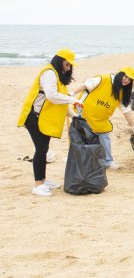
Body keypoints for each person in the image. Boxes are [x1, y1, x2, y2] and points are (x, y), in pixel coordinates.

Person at [17, 49, 82, 196]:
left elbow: (61, 102)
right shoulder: (49, 73)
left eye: (70, 66)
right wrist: (73, 100)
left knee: (44, 149)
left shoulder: (59, 77)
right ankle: (38, 185)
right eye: (67, 64)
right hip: (33, 116)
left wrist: (74, 116)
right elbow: (52, 96)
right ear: (59, 61)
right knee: (41, 149)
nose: (68, 68)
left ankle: (43, 180)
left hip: (43, 117)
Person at [70, 67, 134, 169]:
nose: (126, 80)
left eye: (129, 80)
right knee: (81, 138)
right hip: (85, 113)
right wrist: (71, 94)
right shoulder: (103, 79)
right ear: (120, 74)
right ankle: (75, 158)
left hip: (101, 119)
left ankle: (108, 161)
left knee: (105, 137)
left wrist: (132, 125)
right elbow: (85, 85)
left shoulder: (122, 92)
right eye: (125, 77)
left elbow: (125, 109)